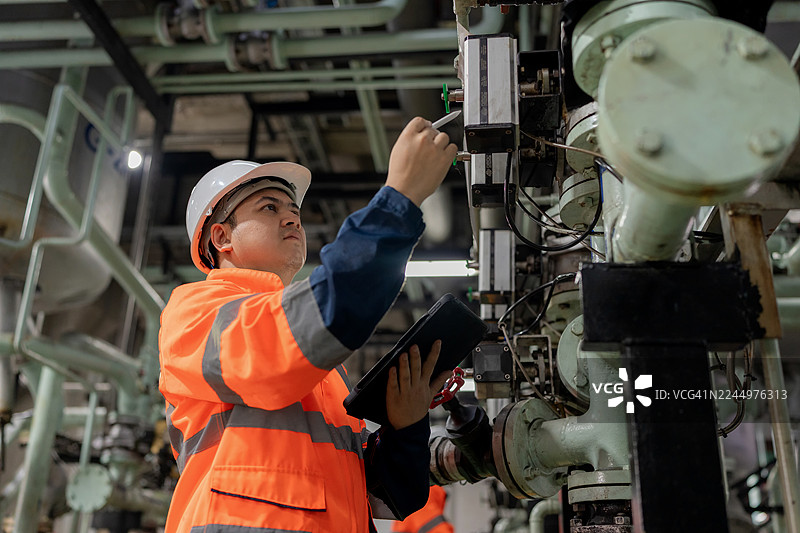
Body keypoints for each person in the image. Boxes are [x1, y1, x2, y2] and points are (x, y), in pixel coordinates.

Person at [158, 116, 459, 532]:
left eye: (293, 210)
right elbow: (320, 316)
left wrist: (404, 426)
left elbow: (389, 497)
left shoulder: (324, 373)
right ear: (221, 238)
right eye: (270, 207)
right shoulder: (193, 314)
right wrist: (400, 197)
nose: (292, 219)